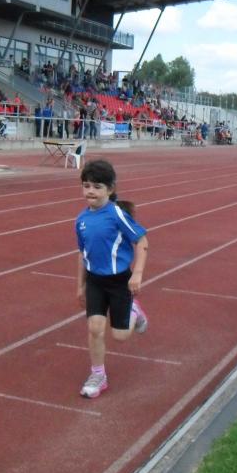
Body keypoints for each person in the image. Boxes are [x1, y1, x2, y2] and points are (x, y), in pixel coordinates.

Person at [75, 159, 149, 399]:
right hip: (95, 281)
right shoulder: (81, 220)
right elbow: (82, 254)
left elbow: (142, 241)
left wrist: (137, 274)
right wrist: (80, 286)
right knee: (95, 328)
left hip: (119, 282)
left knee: (120, 336)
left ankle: (134, 311)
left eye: (97, 187)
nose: (90, 191)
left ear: (110, 189)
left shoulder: (117, 214)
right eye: (86, 186)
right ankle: (98, 375)